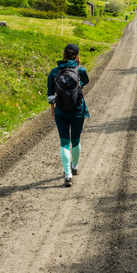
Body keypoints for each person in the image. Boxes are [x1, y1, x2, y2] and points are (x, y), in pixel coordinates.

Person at [47, 43, 90, 187]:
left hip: (61, 111)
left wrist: (53, 108)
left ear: (63, 54)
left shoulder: (54, 72)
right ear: (77, 56)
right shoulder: (81, 70)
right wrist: (79, 68)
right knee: (76, 140)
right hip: (78, 110)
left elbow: (50, 93)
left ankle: (67, 174)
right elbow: (85, 82)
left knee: (64, 142)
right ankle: (75, 166)